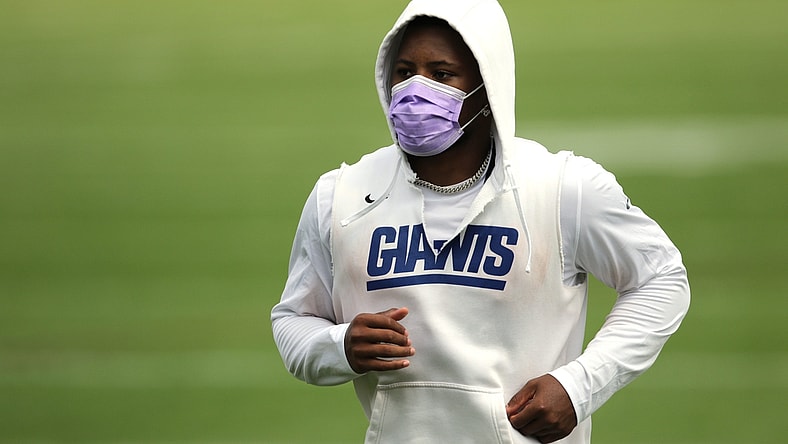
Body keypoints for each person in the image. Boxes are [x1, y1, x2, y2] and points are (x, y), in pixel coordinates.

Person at [271, 0, 690, 442]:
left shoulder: (561, 187)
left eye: (442, 74)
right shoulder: (342, 196)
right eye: (404, 71)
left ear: (487, 86)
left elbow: (661, 279)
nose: (416, 90)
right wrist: (340, 347)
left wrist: (579, 386)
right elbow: (293, 321)